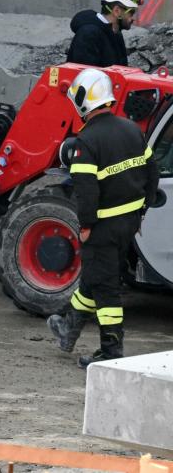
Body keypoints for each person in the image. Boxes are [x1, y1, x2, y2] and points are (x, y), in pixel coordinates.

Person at [47, 68, 159, 367]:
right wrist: (143, 208)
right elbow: (152, 170)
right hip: (129, 222)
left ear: (84, 101)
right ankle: (67, 328)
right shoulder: (131, 129)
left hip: (102, 227)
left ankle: (111, 350)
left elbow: (86, 192)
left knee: (106, 288)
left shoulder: (86, 141)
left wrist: (85, 226)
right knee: (96, 277)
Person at [67, 0, 142, 68]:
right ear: (117, 11)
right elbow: (85, 78)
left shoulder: (115, 33)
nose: (133, 18)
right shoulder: (88, 34)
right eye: (131, 13)